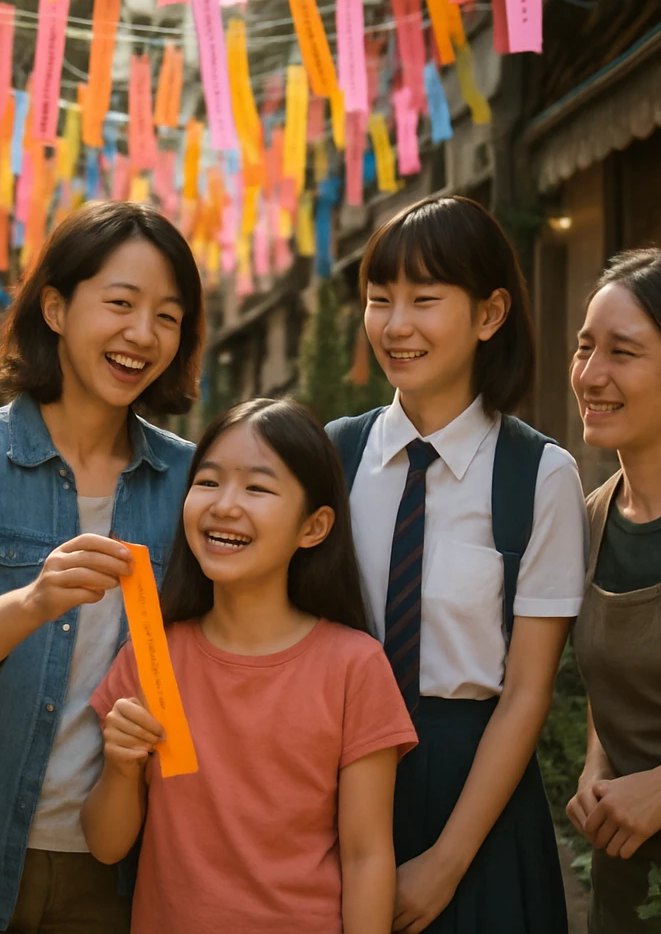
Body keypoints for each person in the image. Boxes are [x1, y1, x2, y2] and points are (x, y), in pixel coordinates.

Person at [0, 201, 205, 933]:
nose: (141, 335)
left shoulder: (191, 483)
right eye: (120, 304)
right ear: (54, 308)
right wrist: (32, 601)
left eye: (167, 316)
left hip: (112, 873)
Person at [327, 196, 588, 934]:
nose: (396, 325)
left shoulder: (539, 476)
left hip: (477, 798)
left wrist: (446, 862)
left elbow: (528, 693)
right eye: (381, 300)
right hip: (339, 781)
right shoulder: (332, 458)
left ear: (489, 313)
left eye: (425, 299)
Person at [82, 398, 418, 934]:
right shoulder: (153, 656)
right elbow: (105, 845)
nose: (224, 506)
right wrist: (122, 768)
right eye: (209, 482)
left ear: (315, 526)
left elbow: (367, 857)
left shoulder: (354, 667)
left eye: (257, 488)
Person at [565, 249, 661, 932]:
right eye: (585, 348)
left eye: (622, 353)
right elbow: (610, 682)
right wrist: (598, 764)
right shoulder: (586, 519)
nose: (591, 376)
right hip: (629, 893)